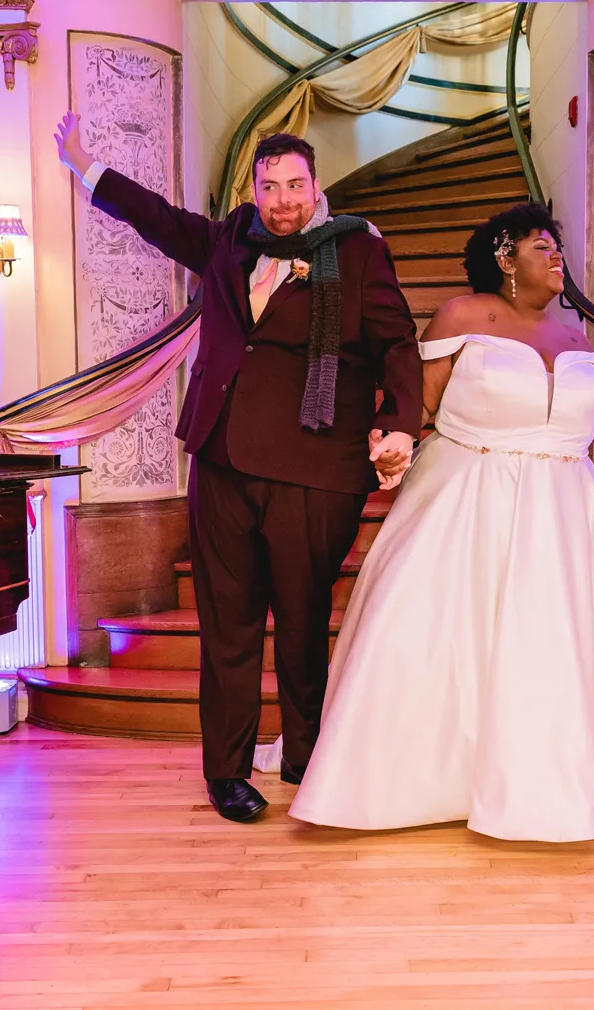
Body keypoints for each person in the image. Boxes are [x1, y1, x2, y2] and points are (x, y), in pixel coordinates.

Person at [289, 203, 594, 841]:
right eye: (541, 246)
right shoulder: (464, 315)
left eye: (557, 248)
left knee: (559, 646)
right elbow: (419, 402)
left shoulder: (577, 337)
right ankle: (424, 781)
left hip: (567, 509)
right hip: (469, 496)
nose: (555, 258)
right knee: (444, 642)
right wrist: (391, 442)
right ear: (504, 255)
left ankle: (559, 783)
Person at [55, 114, 421, 823]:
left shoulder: (357, 251)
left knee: (305, 623)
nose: (282, 200)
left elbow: (398, 343)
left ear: (317, 189)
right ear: (252, 191)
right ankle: (226, 773)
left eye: (295, 186)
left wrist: (400, 420)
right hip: (219, 457)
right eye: (269, 186)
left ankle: (306, 759)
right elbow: (154, 219)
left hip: (314, 467)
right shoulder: (227, 240)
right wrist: (85, 164)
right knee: (227, 626)